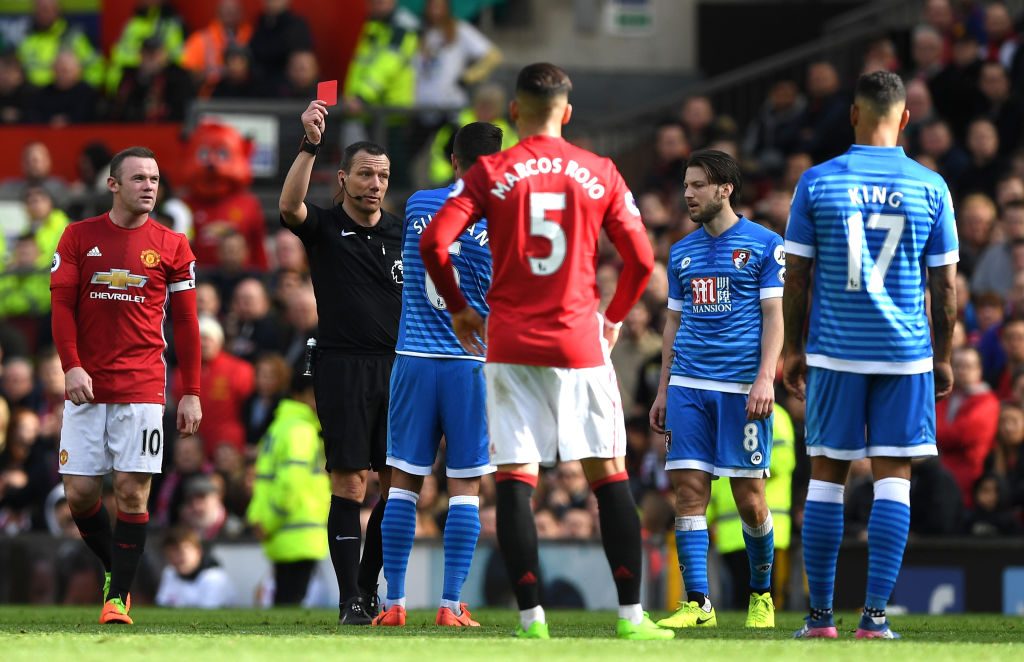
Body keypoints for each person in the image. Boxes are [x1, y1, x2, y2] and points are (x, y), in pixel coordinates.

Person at [421, 62, 671, 641]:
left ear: (515, 112)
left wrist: (461, 307)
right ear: (569, 111)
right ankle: (632, 618)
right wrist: (611, 319)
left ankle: (531, 619)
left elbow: (437, 241)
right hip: (580, 342)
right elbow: (639, 260)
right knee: (608, 474)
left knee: (515, 478)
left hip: (508, 344)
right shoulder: (600, 171)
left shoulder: (490, 171)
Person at [783, 71, 958, 640]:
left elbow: (798, 278)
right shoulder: (931, 186)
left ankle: (818, 618)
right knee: (893, 481)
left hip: (834, 351)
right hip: (906, 355)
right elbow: (947, 290)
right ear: (906, 118)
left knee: (827, 480)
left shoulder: (816, 182)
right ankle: (875, 617)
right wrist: (945, 355)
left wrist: (790, 348)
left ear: (853, 115)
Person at [50, 146, 203, 624]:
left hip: (142, 388)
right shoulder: (78, 237)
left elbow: (188, 322)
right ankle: (117, 570)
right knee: (79, 494)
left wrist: (192, 390)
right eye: (138, 178)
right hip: (86, 388)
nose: (150, 186)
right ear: (113, 185)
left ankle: (118, 598)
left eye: (155, 179)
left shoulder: (174, 245)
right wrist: (71, 365)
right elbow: (60, 309)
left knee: (133, 494)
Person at [371, 122, 503, 629]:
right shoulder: (506, 214)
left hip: (414, 359)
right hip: (473, 365)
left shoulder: (422, 206)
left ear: (453, 158)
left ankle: (395, 603)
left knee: (403, 483)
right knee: (465, 486)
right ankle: (450, 605)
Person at [648, 149, 784, 630]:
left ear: (725, 189)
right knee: (688, 493)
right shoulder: (681, 251)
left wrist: (766, 376)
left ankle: (761, 595)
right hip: (688, 385)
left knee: (750, 499)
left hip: (741, 388)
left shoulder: (765, 245)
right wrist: (663, 389)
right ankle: (697, 603)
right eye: (686, 185)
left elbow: (774, 317)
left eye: (698, 185)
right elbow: (672, 325)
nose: (688, 194)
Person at [278, 101, 403, 625]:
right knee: (350, 484)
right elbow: (289, 208)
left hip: (399, 369)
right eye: (366, 174)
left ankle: (369, 589)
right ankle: (350, 596)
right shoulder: (326, 227)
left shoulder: (403, 233)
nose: (375, 184)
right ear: (345, 177)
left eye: (383, 176)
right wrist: (309, 144)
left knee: (395, 485)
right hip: (342, 366)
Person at [246, 369, 330, 606]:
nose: (321, 400)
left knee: (284, 602)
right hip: (298, 530)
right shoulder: (300, 431)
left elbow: (265, 479)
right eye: (315, 394)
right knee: (290, 605)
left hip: (283, 530)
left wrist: (261, 518)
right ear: (299, 395)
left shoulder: (280, 427)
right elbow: (291, 483)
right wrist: (270, 520)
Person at [155, 525, 237, 608]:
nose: (176, 558)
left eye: (182, 552)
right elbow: (162, 603)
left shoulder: (215, 578)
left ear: (198, 551)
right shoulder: (170, 573)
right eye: (170, 554)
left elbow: (207, 613)